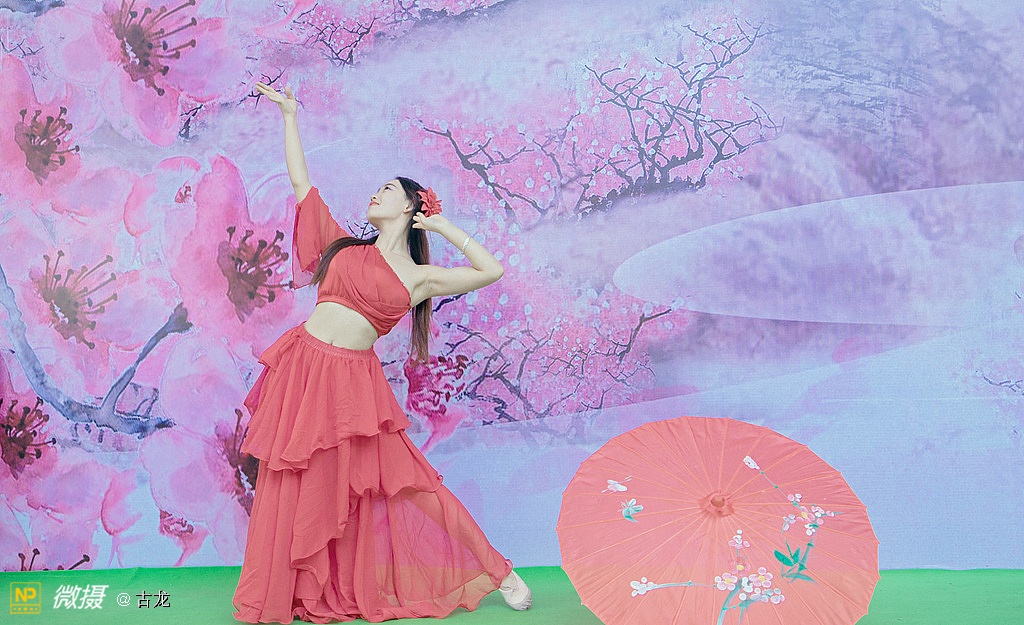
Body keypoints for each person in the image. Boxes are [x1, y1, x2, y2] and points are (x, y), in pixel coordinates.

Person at [231, 82, 531, 623]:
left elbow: (491, 270)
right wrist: (290, 116)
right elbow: (301, 184)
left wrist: (441, 226)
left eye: (388, 189)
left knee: (414, 486)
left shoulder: (419, 277)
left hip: (354, 388)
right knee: (290, 478)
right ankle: (289, 590)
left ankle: (499, 571)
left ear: (411, 206)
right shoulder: (343, 245)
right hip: (302, 369)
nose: (376, 194)